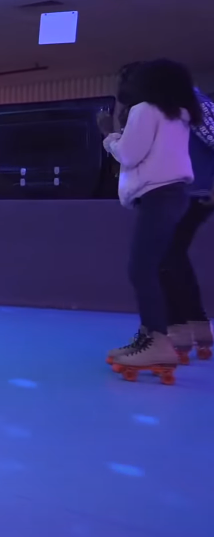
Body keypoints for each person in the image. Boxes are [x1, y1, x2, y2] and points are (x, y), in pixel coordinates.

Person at [101, 59, 202, 376]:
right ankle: (149, 336)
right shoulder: (178, 113)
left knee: (142, 268)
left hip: (157, 195)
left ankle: (156, 340)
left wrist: (109, 137)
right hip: (173, 195)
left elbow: (129, 154)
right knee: (155, 266)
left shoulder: (144, 109)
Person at [161, 82, 214, 363]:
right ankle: (191, 328)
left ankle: (181, 329)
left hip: (196, 192)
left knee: (165, 256)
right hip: (187, 191)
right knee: (170, 256)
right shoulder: (176, 105)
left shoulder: (192, 102)